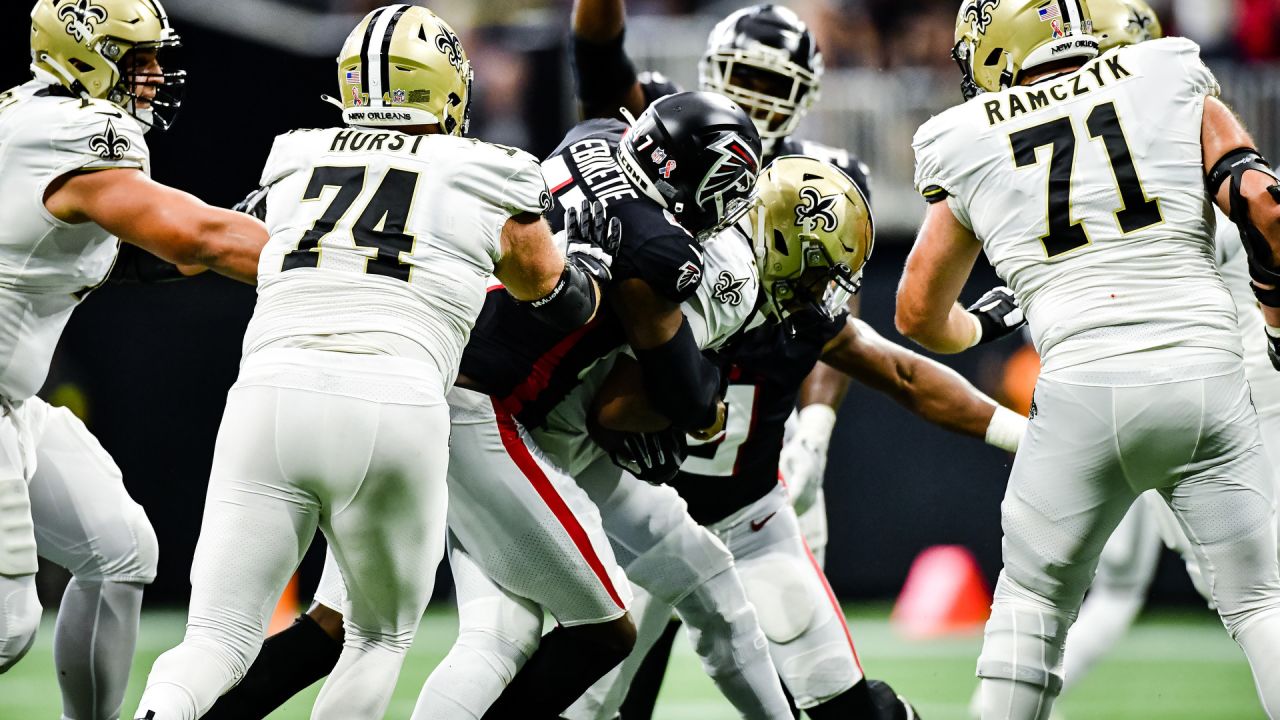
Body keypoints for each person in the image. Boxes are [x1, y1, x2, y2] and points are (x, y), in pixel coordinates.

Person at [201, 90, 781, 720]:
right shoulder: (660, 253)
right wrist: (704, 401)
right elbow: (683, 395)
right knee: (603, 629)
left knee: (339, 625)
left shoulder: (590, 137)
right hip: (478, 409)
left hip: (418, 378)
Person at [131, 6, 617, 719]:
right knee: (376, 636)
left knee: (213, 639)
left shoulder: (296, 158)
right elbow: (556, 297)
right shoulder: (489, 170)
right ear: (447, 85)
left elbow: (237, 239)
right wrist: (590, 262)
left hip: (267, 395)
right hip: (392, 403)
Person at [896, 1, 1280, 717]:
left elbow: (916, 312)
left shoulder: (967, 134)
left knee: (1030, 611)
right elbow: (1267, 208)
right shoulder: (1166, 72)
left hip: (1078, 390)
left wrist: (975, 331)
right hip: (1209, 377)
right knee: (1261, 603)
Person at [0, 2, 266, 718]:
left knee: (120, 552)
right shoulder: (70, 134)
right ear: (82, 55)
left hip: (13, 403)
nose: (151, 74)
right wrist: (333, 258)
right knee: (8, 628)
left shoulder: (30, 114)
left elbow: (93, 252)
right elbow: (196, 239)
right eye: (133, 57)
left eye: (153, 56)